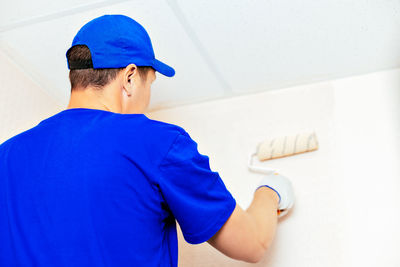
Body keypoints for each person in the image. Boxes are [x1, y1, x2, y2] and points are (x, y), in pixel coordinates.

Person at [0, 14, 294, 266]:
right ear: (129, 77)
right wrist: (271, 192)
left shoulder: (6, 155)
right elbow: (252, 243)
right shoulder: (156, 143)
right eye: (149, 84)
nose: (148, 99)